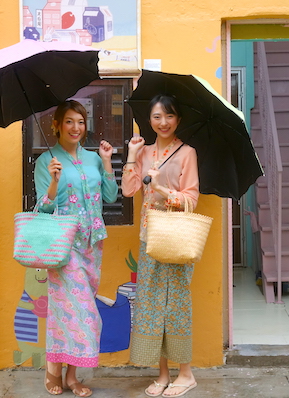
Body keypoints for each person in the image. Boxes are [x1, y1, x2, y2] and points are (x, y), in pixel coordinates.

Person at [34, 100, 118, 397]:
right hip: (65, 246)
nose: (75, 128)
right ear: (56, 125)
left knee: (77, 310)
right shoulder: (47, 161)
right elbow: (42, 210)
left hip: (93, 244)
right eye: (68, 121)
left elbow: (110, 196)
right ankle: (53, 370)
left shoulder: (93, 158)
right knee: (76, 310)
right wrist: (54, 183)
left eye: (80, 122)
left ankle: (71, 374)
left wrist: (107, 161)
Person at [122, 94, 200, 397]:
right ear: (149, 120)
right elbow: (129, 190)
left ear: (178, 119)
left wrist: (159, 187)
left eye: (169, 116)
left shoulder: (187, 153)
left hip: (177, 236)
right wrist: (131, 154)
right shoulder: (144, 152)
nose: (163, 122)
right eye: (157, 117)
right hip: (149, 238)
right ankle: (163, 374)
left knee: (177, 302)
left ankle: (186, 373)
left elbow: (191, 199)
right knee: (153, 306)